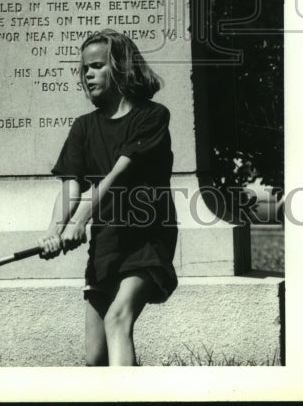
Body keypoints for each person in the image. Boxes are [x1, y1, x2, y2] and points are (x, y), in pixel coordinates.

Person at [38, 29, 177, 367]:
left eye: (97, 66)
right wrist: (55, 231)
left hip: (146, 239)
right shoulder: (83, 127)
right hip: (107, 243)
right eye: (84, 68)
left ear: (121, 68)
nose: (87, 74)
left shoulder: (152, 116)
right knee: (95, 358)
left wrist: (80, 220)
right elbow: (71, 185)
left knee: (118, 319)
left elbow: (118, 174)